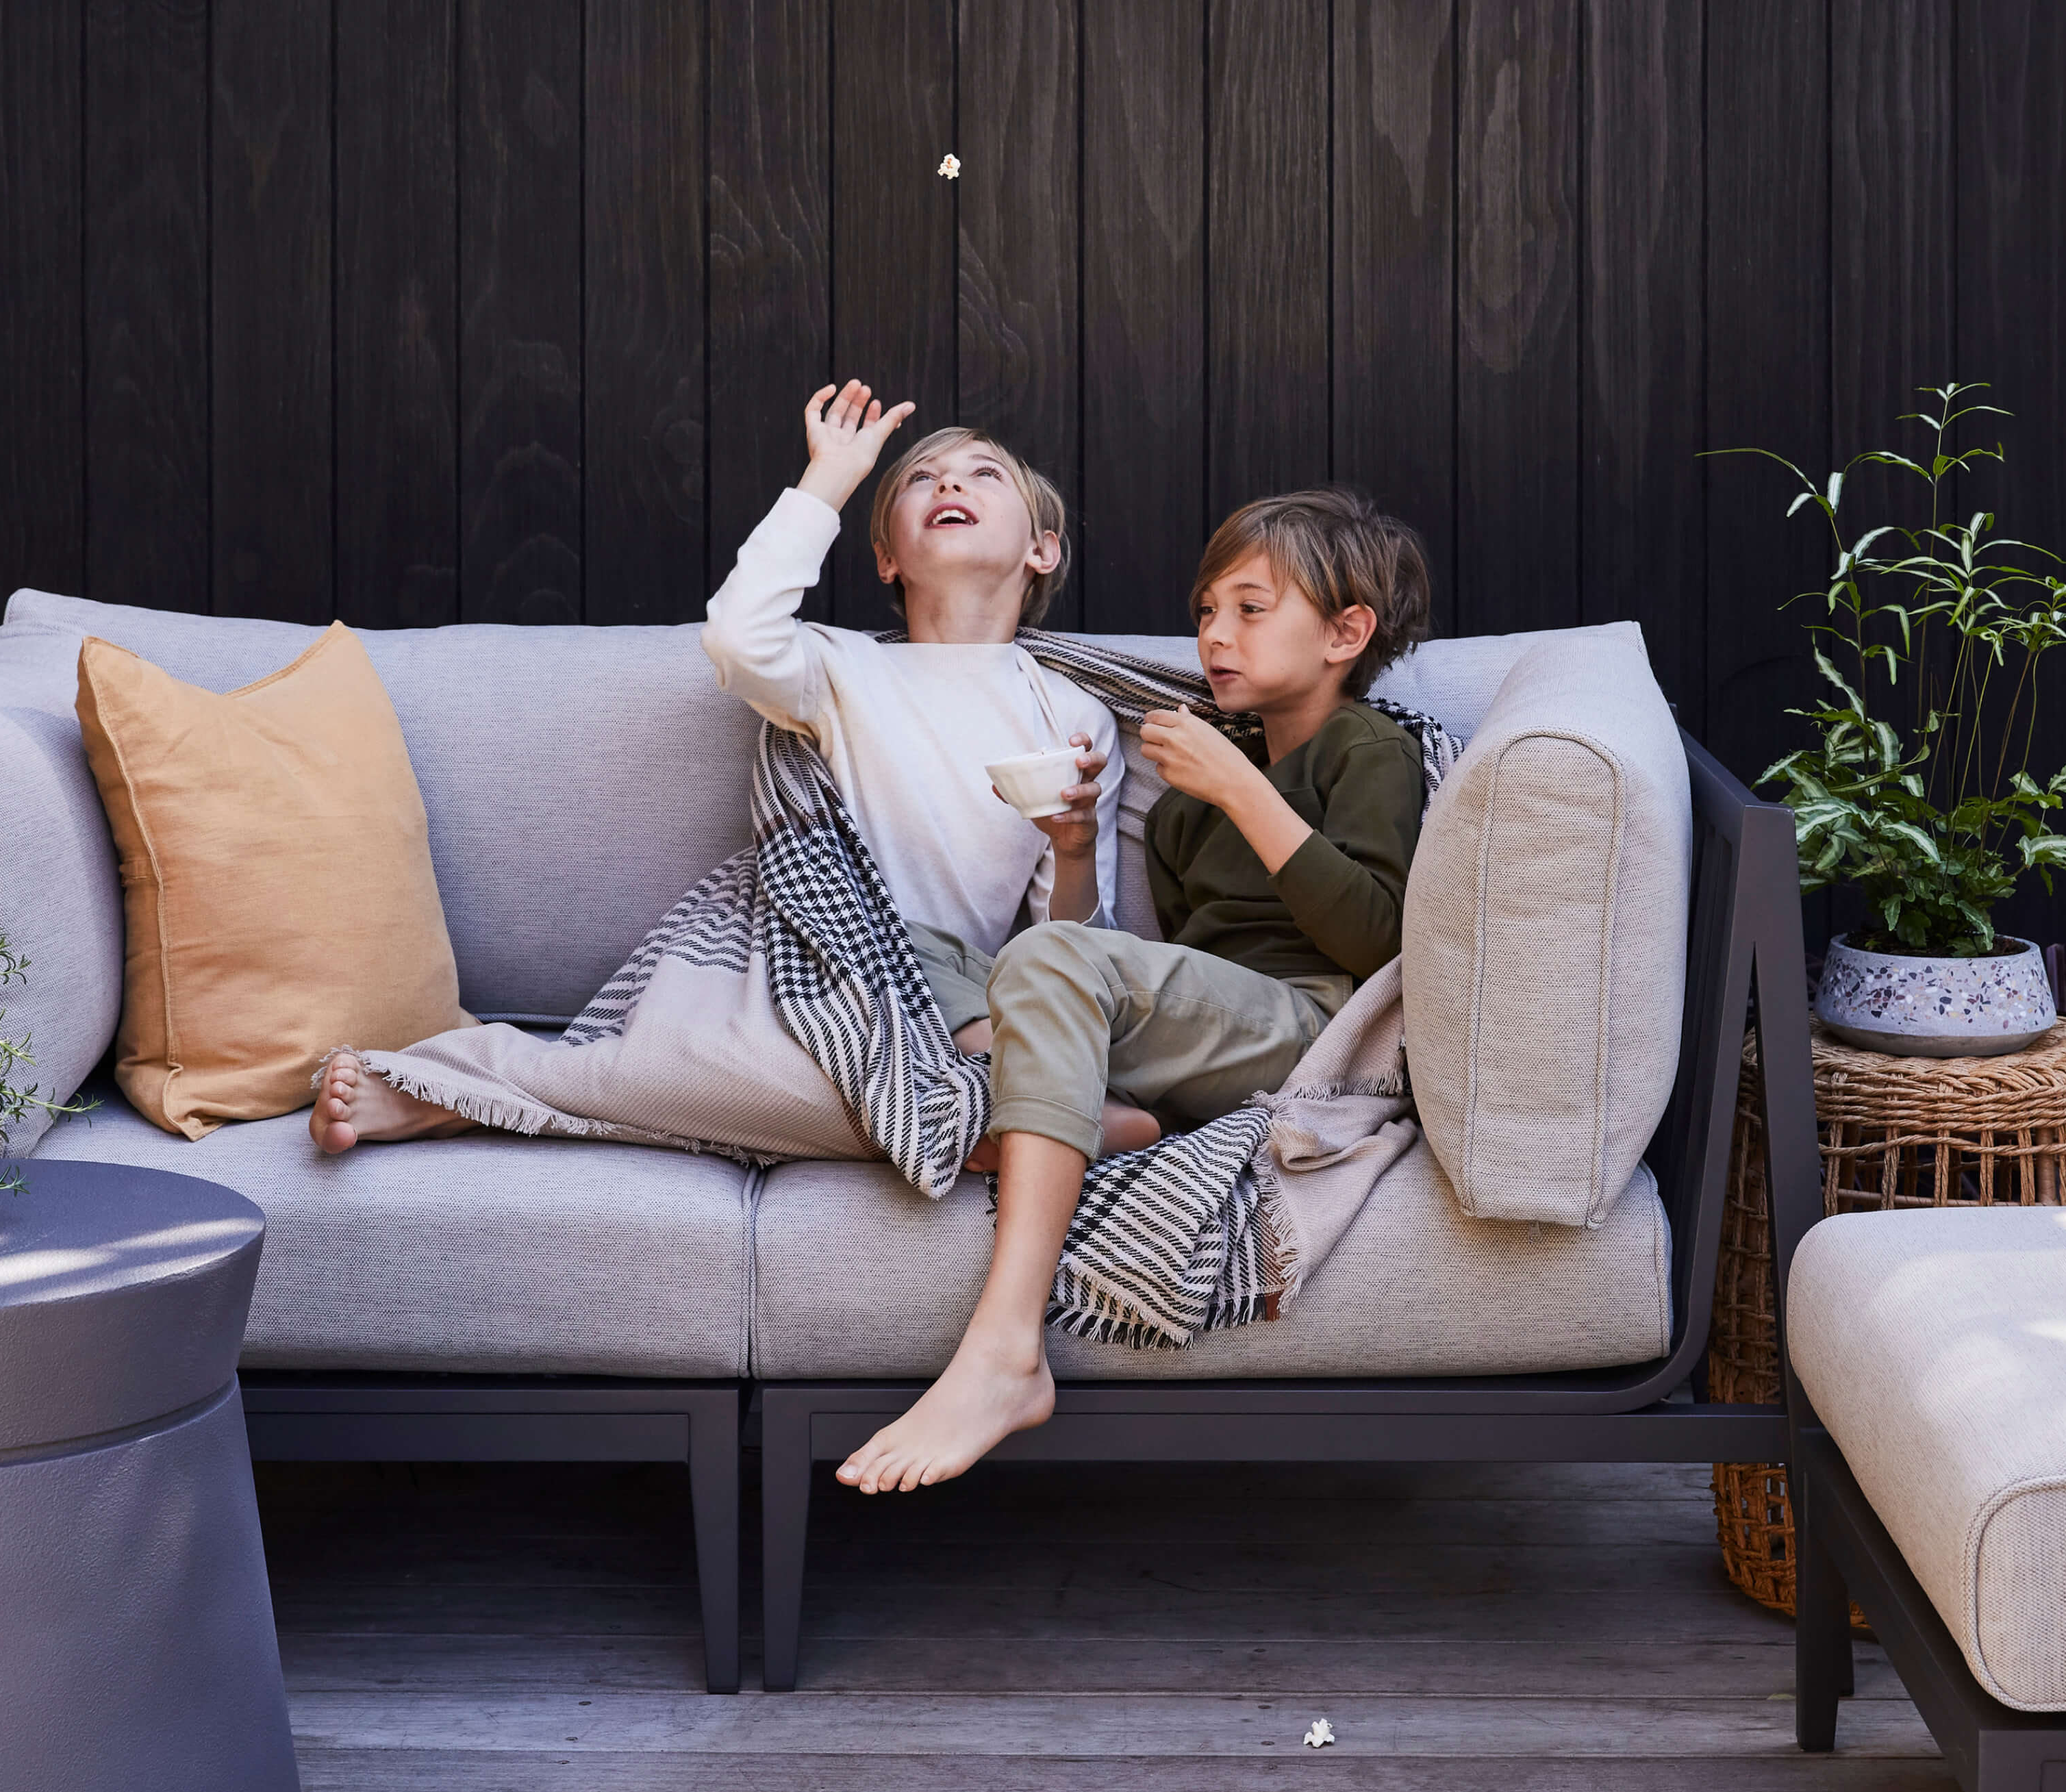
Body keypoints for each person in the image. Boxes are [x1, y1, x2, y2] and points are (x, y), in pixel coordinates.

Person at [312, 382, 1144, 1154]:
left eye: (983, 473)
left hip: (941, 1007)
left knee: (931, 1062)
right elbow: (738, 638)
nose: (948, 482)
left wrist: (1071, 848)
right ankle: (465, 1086)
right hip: (802, 974)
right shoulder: (839, 668)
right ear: (886, 558)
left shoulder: (1071, 714)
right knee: (717, 1066)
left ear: (1041, 549)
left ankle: (947, 1110)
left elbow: (1070, 946)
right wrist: (830, 479)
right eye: (920, 479)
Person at [836, 487, 1436, 1495]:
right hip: (1206, 1030)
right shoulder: (1185, 808)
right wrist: (1073, 850)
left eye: (1251, 609)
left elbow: (1379, 937)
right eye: (1206, 610)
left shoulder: (1365, 749)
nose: (1216, 635)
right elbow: (1119, 963)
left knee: (1050, 964)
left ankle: (1006, 1348)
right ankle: (1081, 1108)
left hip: (1309, 1023)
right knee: (899, 942)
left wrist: (1238, 785)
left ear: (1346, 632)